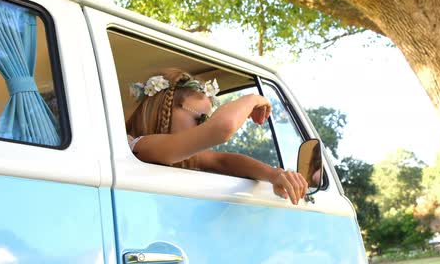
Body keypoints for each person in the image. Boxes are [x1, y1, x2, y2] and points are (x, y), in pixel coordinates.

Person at [125, 68, 308, 205]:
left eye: (209, 119)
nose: (205, 126)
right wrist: (253, 99)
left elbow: (222, 161)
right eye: (201, 118)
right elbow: (222, 128)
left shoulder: (175, 155)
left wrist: (274, 174)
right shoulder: (141, 147)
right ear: (165, 109)